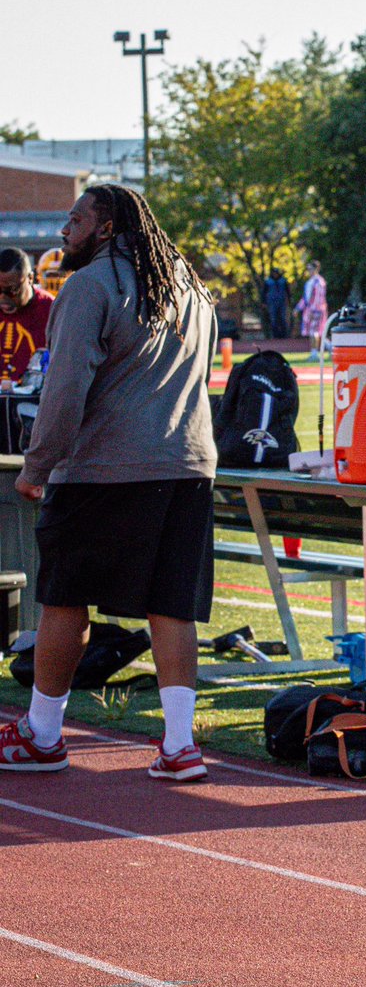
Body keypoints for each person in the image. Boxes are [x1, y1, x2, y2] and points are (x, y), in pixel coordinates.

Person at [0, 184, 217, 781]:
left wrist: (38, 466)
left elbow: (66, 388)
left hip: (106, 466)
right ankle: (179, 745)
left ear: (107, 226)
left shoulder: (91, 285)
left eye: (75, 220)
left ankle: (43, 734)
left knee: (65, 597)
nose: (63, 232)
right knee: (172, 605)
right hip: (189, 463)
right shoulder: (192, 287)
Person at [0, 249, 54, 386]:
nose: (3, 297)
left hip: (34, 402)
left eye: (11, 290)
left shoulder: (50, 309)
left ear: (30, 278)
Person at [295, 260, 327, 360]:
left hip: (316, 310)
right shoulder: (310, 282)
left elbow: (319, 298)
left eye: (310, 269)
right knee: (312, 331)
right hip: (309, 310)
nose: (309, 271)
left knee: (314, 331)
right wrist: (298, 308)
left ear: (316, 269)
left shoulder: (319, 282)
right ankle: (330, 347)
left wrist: (315, 310)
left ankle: (314, 354)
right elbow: (306, 298)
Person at [261, 268, 291, 339]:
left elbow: (288, 292)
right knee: (273, 319)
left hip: (282, 302)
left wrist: (289, 301)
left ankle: (284, 335)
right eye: (274, 273)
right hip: (272, 303)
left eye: (276, 273)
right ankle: (275, 335)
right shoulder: (268, 281)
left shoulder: (283, 281)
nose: (275, 275)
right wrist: (264, 302)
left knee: (283, 319)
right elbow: (264, 293)